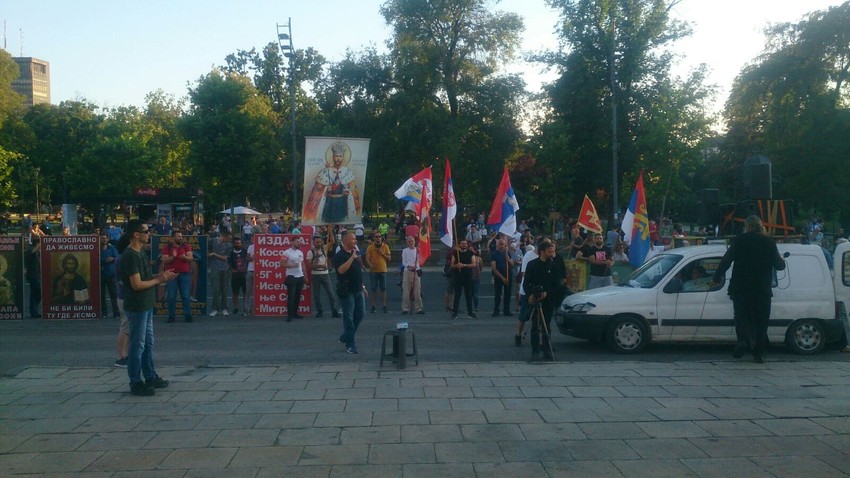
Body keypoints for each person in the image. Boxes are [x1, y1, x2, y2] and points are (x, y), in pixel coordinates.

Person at [713, 215, 786, 363]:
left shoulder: (739, 240)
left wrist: (717, 276)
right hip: (762, 289)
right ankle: (759, 352)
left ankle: (743, 341)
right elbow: (779, 265)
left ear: (747, 226)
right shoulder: (768, 242)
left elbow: (726, 260)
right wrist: (782, 261)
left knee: (741, 318)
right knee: (761, 322)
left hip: (740, 288)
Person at [120, 219, 176, 396]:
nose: (149, 234)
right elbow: (136, 284)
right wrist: (160, 280)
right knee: (137, 345)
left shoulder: (141, 253)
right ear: (136, 234)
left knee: (147, 343)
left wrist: (160, 275)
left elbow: (144, 277)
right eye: (146, 231)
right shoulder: (130, 255)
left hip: (146, 304)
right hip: (137, 306)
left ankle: (150, 376)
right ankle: (135, 382)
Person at [303, 141, 362, 224]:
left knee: (341, 221)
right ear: (333, 157)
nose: (338, 158)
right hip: (328, 204)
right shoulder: (325, 171)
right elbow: (317, 192)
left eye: (340, 156)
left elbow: (353, 192)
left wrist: (348, 191)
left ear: (343, 157)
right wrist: (326, 189)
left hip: (342, 205)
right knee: (327, 222)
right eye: (336, 156)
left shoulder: (347, 172)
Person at [523, 240, 562, 361]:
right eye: (549, 251)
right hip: (535, 299)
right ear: (542, 252)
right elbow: (526, 283)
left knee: (547, 325)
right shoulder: (532, 264)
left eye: (553, 251)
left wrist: (547, 292)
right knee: (535, 326)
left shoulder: (555, 265)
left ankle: (547, 349)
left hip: (549, 300)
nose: (552, 253)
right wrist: (531, 294)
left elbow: (557, 284)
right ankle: (535, 350)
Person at [333, 232, 367, 354]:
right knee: (348, 317)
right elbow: (341, 271)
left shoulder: (355, 254)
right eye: (353, 239)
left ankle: (346, 335)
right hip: (347, 291)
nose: (356, 241)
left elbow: (358, 271)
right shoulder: (339, 256)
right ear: (346, 240)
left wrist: (363, 286)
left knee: (361, 314)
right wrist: (352, 258)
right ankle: (350, 343)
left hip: (358, 289)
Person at [161, 231, 193, 323]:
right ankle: (171, 316)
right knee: (171, 296)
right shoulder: (167, 247)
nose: (180, 238)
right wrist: (173, 257)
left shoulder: (186, 246)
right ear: (173, 238)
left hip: (184, 273)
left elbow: (190, 258)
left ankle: (187, 315)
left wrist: (184, 258)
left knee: (186, 295)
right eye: (178, 236)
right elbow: (165, 260)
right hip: (172, 274)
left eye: (181, 236)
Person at [306, 236, 340, 318]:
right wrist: (321, 266)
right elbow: (309, 266)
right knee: (316, 294)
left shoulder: (324, 249)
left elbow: (332, 241)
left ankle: (334, 311)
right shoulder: (310, 252)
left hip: (325, 274)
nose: (319, 244)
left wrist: (330, 229)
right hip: (316, 274)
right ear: (313, 243)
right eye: (317, 242)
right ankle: (319, 311)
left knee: (331, 293)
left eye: (320, 242)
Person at [281, 236, 307, 322]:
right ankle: (290, 315)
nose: (299, 243)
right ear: (292, 242)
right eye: (297, 242)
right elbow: (282, 264)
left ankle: (295, 313)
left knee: (298, 296)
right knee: (291, 296)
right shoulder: (286, 253)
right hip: (291, 276)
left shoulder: (300, 252)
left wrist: (305, 275)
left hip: (300, 276)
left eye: (299, 242)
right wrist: (292, 265)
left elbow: (302, 264)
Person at [449, 239, 477, 320]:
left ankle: (470, 313)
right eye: (462, 243)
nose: (464, 245)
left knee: (468, 295)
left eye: (465, 243)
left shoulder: (470, 253)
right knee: (457, 295)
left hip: (468, 277)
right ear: (459, 245)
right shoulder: (455, 253)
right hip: (458, 277)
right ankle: (455, 313)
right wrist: (457, 265)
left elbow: (474, 264)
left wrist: (464, 265)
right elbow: (452, 265)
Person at [365, 232, 391, 313]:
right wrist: (369, 264)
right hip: (373, 270)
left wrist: (382, 253)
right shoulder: (370, 247)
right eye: (376, 237)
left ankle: (384, 305)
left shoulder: (385, 247)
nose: (378, 238)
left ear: (381, 238)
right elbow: (367, 257)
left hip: (383, 270)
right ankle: (373, 306)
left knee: (383, 288)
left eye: (379, 236)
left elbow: (389, 258)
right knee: (373, 289)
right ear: (374, 238)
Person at [207, 231, 232, 316]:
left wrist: (214, 254)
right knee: (215, 289)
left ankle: (224, 308)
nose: (229, 240)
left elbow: (225, 257)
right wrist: (209, 254)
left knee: (224, 289)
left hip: (224, 268)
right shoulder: (213, 241)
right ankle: (215, 308)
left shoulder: (228, 245)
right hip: (214, 268)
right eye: (228, 238)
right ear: (223, 236)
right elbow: (207, 248)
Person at [490, 237, 514, 317]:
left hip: (508, 274)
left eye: (503, 244)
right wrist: (502, 278)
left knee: (508, 293)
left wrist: (509, 260)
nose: (502, 246)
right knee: (498, 293)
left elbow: (512, 264)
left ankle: (506, 310)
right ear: (497, 245)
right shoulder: (494, 253)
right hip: (499, 275)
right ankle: (496, 310)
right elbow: (493, 267)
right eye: (500, 244)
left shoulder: (507, 253)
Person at [400, 235, 424, 314]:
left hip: (416, 272)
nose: (411, 243)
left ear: (414, 242)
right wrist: (409, 266)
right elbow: (404, 262)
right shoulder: (405, 251)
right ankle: (405, 308)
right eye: (409, 241)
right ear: (407, 242)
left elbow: (420, 261)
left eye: (412, 241)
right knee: (406, 291)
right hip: (407, 272)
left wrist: (416, 267)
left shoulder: (417, 250)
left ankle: (419, 308)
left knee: (417, 291)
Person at [99, 233, 121, 318]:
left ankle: (116, 312)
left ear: (108, 239)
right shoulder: (97, 249)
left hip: (111, 274)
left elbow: (118, 258)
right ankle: (104, 312)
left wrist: (113, 259)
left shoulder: (112, 248)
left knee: (113, 294)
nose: (104, 240)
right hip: (101, 274)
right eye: (102, 238)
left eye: (105, 238)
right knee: (102, 295)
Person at [228, 238, 250, 316]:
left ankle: (246, 307)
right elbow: (229, 263)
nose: (238, 245)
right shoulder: (231, 253)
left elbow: (248, 260)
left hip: (244, 274)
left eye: (239, 243)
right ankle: (236, 307)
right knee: (235, 293)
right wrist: (231, 269)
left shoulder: (245, 251)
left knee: (245, 293)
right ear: (234, 244)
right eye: (237, 243)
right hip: (235, 276)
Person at [25, 236, 42, 318]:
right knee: (38, 292)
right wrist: (38, 246)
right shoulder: (30, 249)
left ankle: (34, 312)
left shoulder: (38, 252)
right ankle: (33, 311)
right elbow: (32, 252)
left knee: (34, 294)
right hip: (32, 275)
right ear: (37, 243)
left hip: (37, 275)